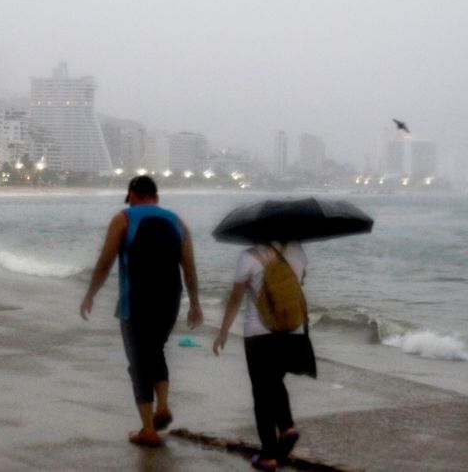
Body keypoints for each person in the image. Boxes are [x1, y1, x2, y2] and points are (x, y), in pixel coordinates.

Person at [80, 175, 204, 447]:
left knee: (138, 362)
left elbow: (105, 262)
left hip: (135, 302)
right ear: (156, 197)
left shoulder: (123, 219)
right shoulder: (177, 222)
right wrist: (195, 303)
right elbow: (190, 268)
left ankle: (148, 430)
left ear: (133, 195)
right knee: (155, 350)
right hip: (170, 301)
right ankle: (162, 406)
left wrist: (91, 293)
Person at [213, 240, 308, 471]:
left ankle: (269, 456)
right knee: (275, 382)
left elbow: (236, 298)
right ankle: (287, 427)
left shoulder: (249, 256)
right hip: (292, 331)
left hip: (259, 333)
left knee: (262, 393)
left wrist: (223, 331)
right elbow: (299, 284)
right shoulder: (297, 252)